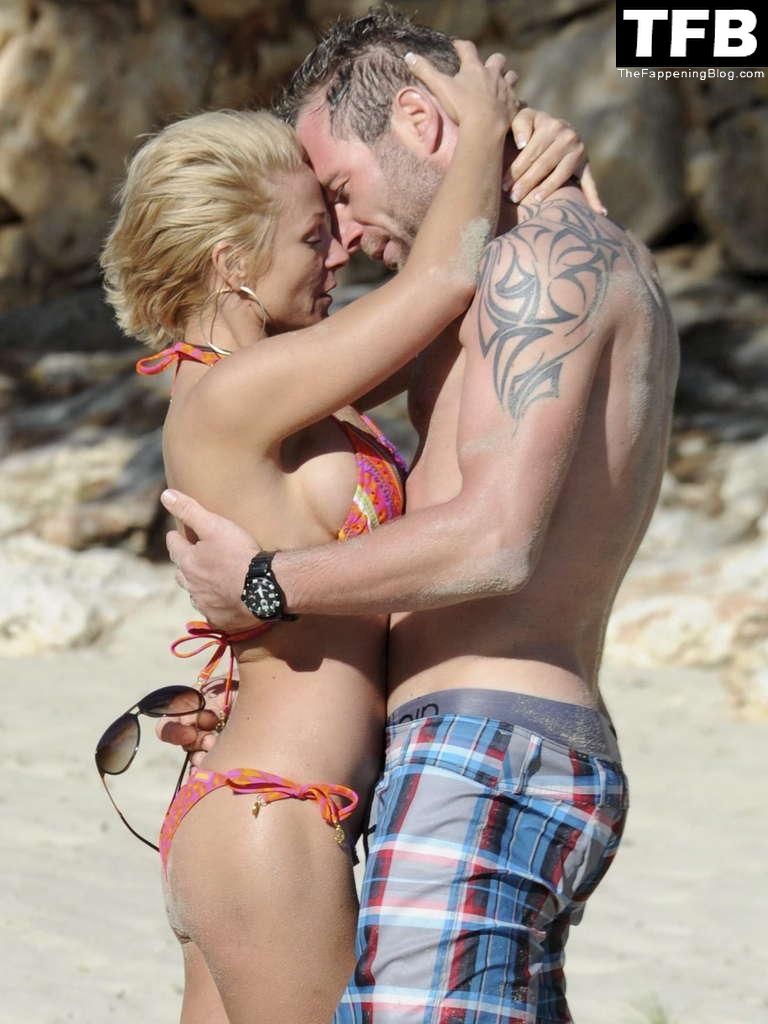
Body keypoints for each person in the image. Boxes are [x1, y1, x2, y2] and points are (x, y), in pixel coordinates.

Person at [162, 8, 680, 1024]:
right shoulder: (513, 272)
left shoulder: (538, 267)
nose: (344, 236)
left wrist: (263, 584)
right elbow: (288, 382)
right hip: (477, 755)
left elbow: (495, 542)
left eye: (338, 193)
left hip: (486, 755)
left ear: (418, 118)